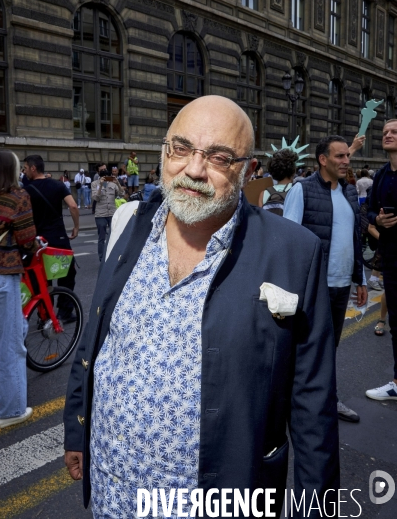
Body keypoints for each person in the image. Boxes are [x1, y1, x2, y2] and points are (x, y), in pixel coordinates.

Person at [64, 95, 339, 517]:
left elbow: (313, 405)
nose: (194, 170)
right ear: (164, 151)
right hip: (111, 492)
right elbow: (97, 341)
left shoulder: (294, 252)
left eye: (218, 157)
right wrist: (76, 429)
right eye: (181, 148)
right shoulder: (129, 226)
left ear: (247, 169)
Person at [284, 135, 367, 423]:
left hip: (342, 284)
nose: (346, 161)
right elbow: (289, 240)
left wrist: (361, 280)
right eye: (340, 156)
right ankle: (295, 399)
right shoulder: (302, 190)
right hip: (313, 284)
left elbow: (355, 237)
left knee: (330, 347)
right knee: (305, 344)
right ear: (323, 160)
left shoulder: (350, 192)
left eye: (347, 156)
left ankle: (326, 399)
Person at [0, 150, 39, 428]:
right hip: (3, 275)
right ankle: (10, 411)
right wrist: (33, 246)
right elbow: (26, 239)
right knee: (9, 344)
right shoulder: (17, 197)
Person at [23, 155, 79, 320]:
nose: (24, 171)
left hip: (37, 242)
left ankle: (46, 315)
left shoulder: (26, 191)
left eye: (25, 167)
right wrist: (76, 226)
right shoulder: (58, 185)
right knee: (67, 275)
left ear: (33, 168)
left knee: (42, 280)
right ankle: (65, 311)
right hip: (58, 239)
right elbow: (73, 206)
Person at [365, 118, 397, 401]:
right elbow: (369, 211)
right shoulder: (381, 175)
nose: (387, 135)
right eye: (385, 131)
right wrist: (378, 219)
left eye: (394, 132)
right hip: (391, 258)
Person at [91, 164, 124, 261]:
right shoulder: (94, 184)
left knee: (114, 236)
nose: (105, 178)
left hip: (112, 213)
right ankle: (102, 257)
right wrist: (100, 185)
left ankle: (114, 256)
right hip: (100, 214)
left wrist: (117, 183)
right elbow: (96, 198)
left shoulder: (113, 184)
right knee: (102, 237)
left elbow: (122, 194)